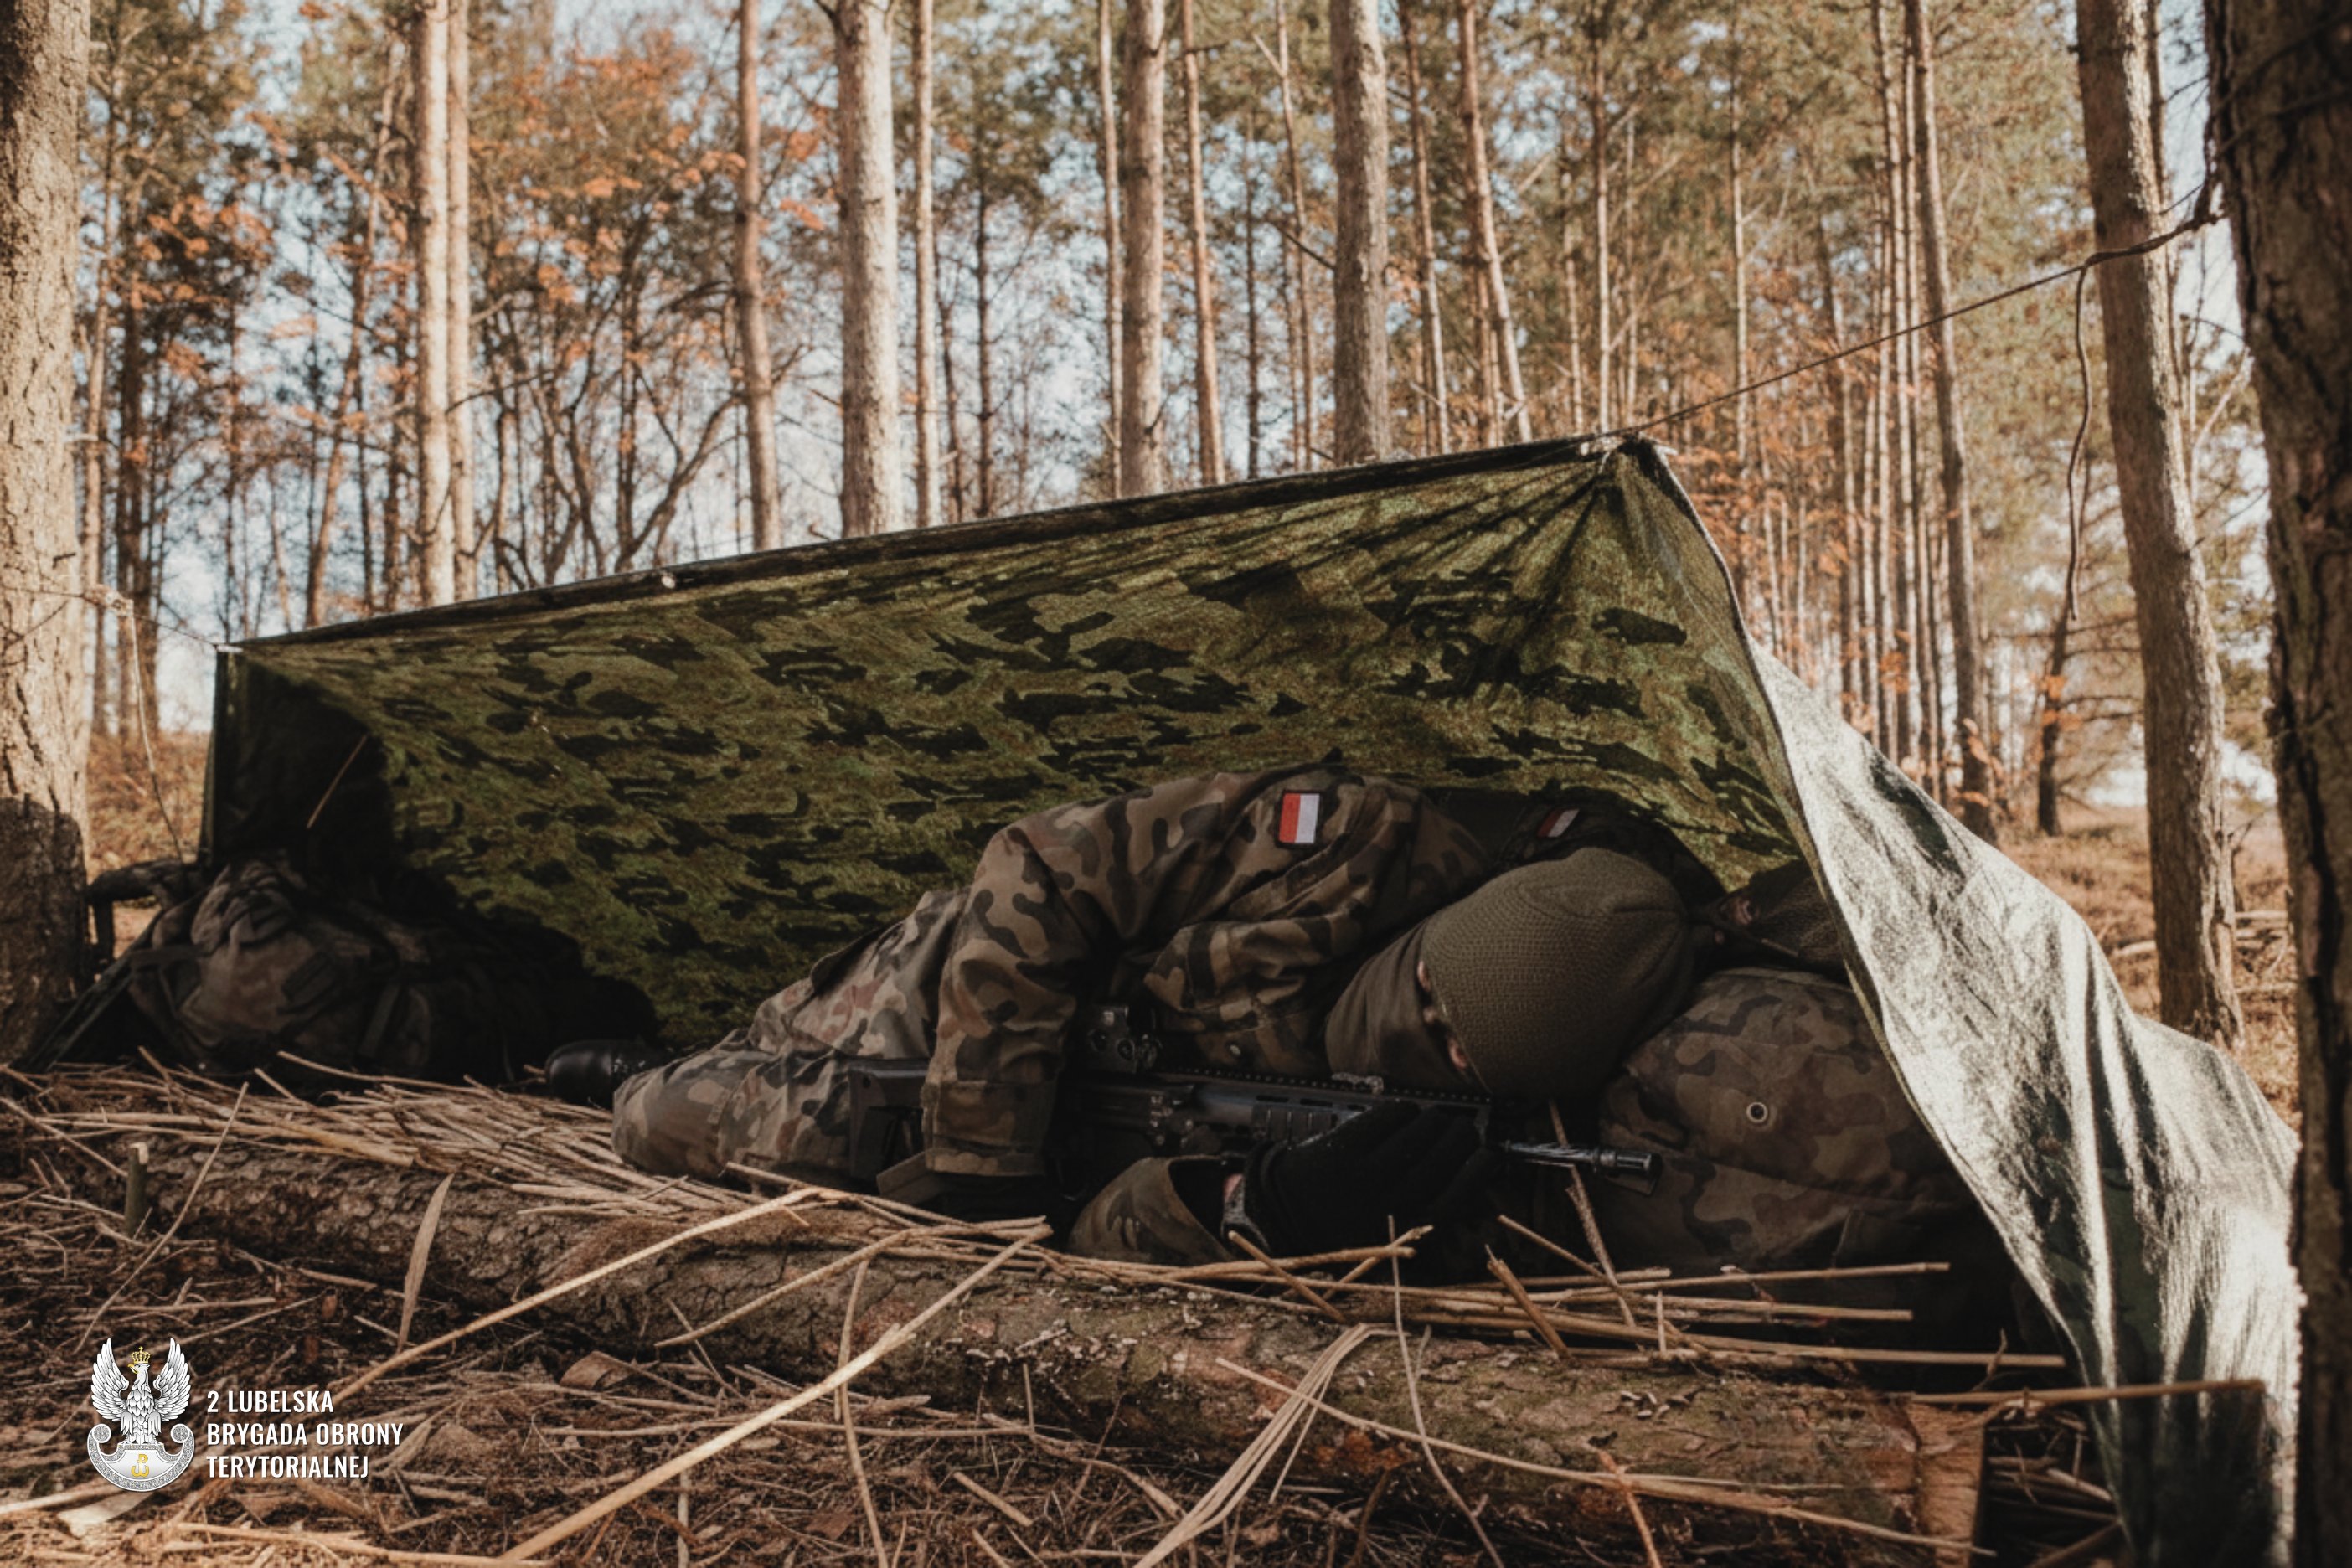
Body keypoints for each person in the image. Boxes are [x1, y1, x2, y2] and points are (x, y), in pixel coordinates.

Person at [562, 765, 1721, 1265]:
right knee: (683, 1089)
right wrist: (984, 1152)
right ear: (1443, 924)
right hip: (968, 1005)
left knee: (663, 1119)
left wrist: (1252, 1214)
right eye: (1429, 1000)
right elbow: (1038, 866)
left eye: (1464, 1059)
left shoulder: (1435, 1150)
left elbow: (1104, 1237)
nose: (1433, 1047)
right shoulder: (1354, 846)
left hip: (1071, 1147)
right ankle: (652, 1051)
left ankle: (660, 1064)